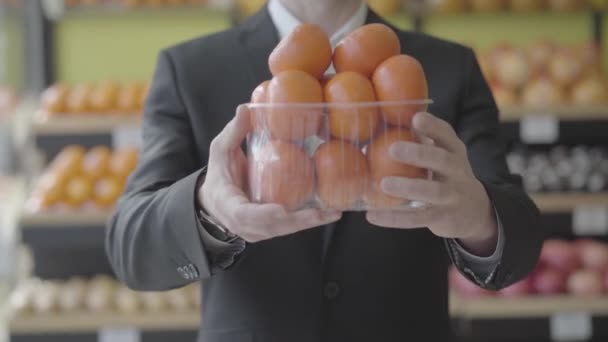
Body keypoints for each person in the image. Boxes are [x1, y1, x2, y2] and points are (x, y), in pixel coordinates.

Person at [106, 0, 543, 341]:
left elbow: (520, 240)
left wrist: (478, 218)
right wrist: (207, 207)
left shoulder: (447, 69)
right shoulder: (191, 71)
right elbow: (131, 246)